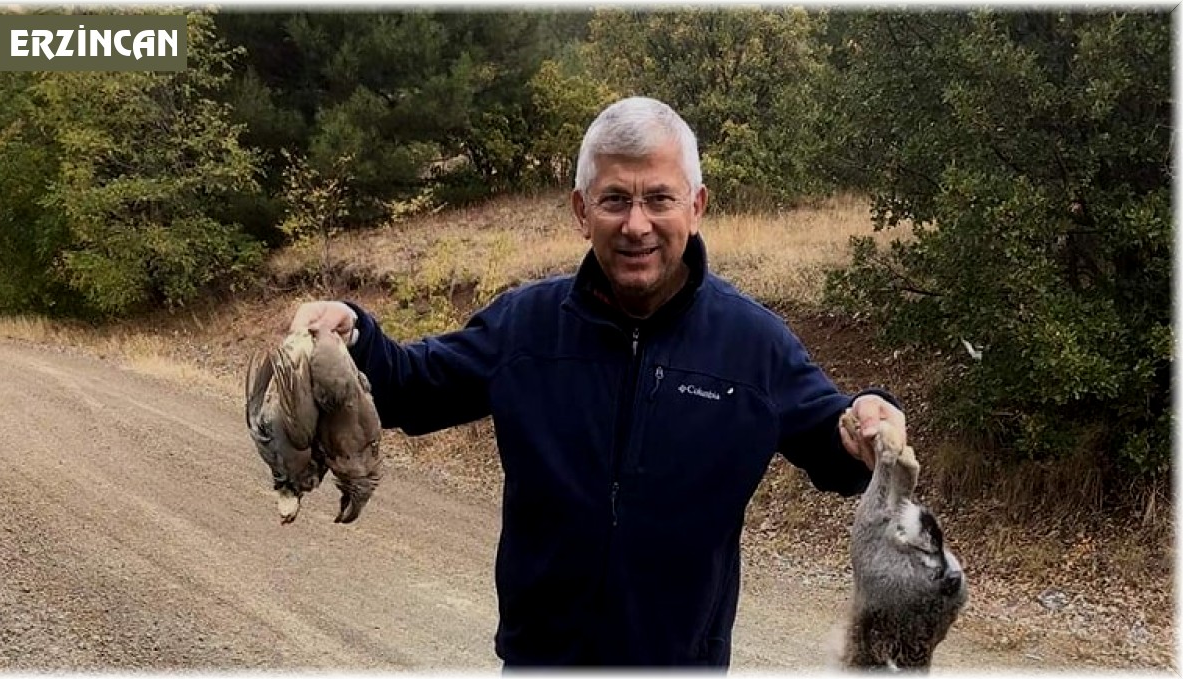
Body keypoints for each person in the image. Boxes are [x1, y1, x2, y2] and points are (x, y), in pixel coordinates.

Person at [289, 96, 906, 668]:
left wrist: (865, 425)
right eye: (615, 200)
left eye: (659, 199)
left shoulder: (753, 344)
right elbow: (412, 386)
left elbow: (834, 443)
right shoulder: (525, 326)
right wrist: (353, 335)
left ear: (697, 206)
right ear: (582, 211)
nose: (636, 224)